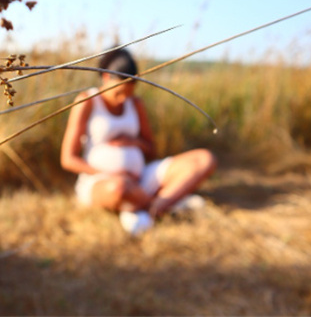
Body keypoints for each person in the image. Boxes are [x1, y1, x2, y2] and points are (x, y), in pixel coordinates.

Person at [60, 46, 216, 235]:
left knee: (204, 159)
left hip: (140, 177)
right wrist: (106, 173)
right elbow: (68, 159)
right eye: (119, 93)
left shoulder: (135, 104)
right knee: (118, 188)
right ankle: (164, 205)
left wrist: (135, 143)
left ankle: (148, 206)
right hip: (103, 181)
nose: (123, 99)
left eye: (129, 93)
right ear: (107, 78)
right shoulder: (87, 101)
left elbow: (151, 151)